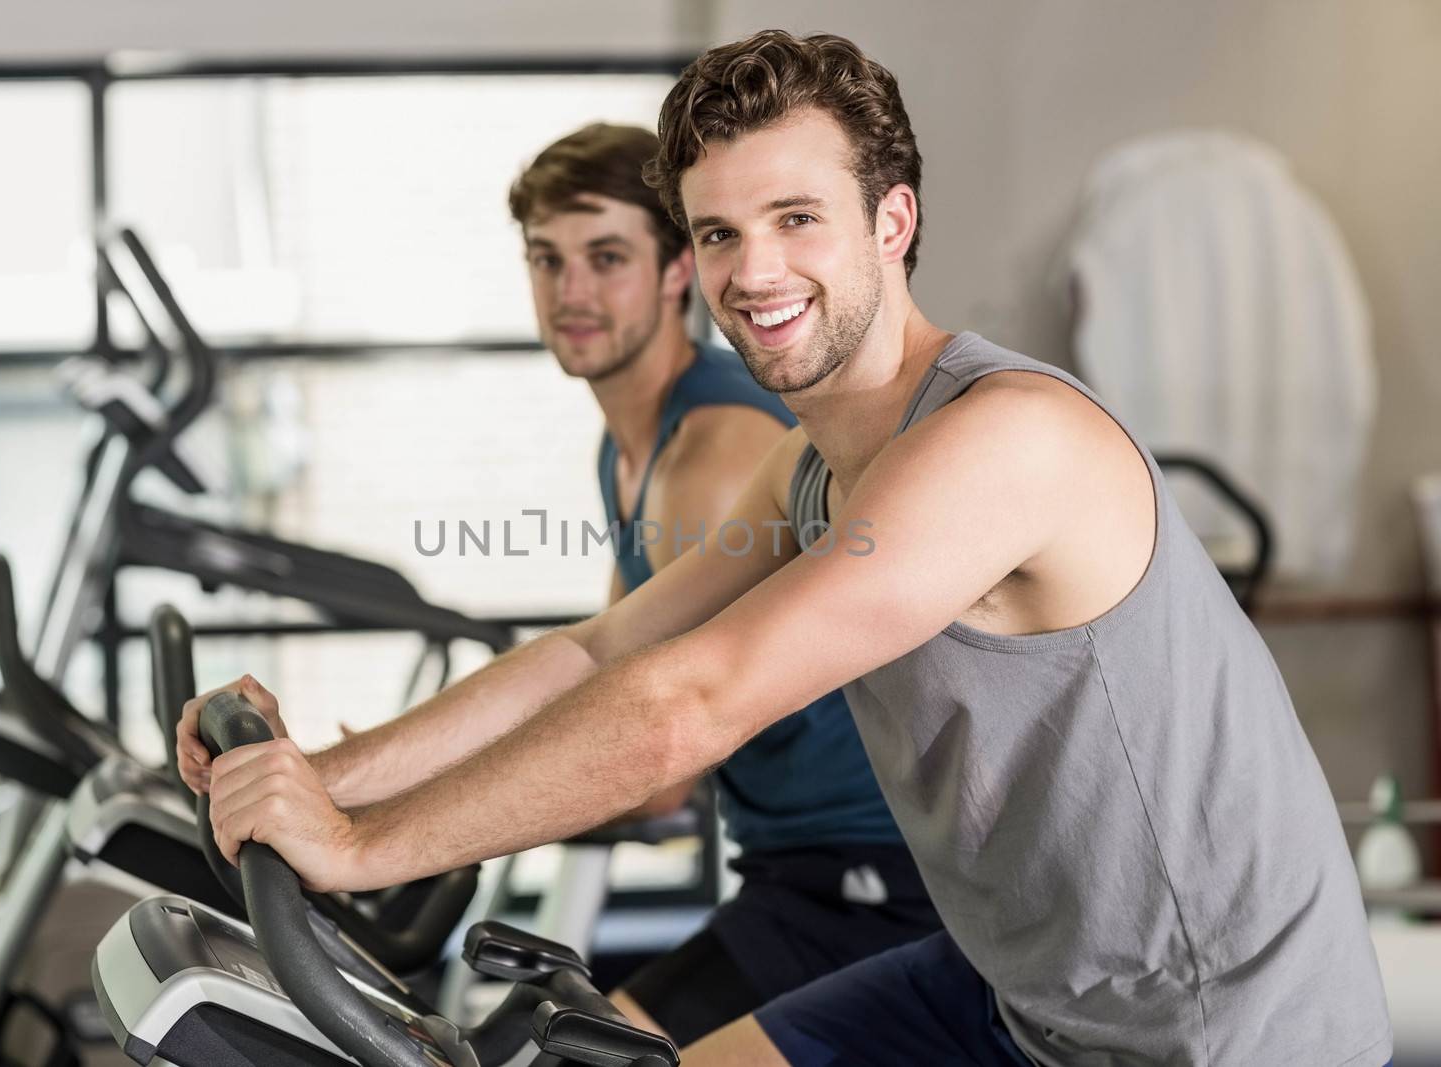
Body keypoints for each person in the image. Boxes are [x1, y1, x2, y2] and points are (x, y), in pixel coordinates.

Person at [179, 29, 1392, 1067]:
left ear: (891, 221)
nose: (752, 273)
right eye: (717, 235)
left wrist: (361, 848)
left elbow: (683, 706)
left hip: (1206, 1028)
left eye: (795, 219)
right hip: (1018, 988)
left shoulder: (1008, 440)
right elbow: (604, 646)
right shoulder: (809, 464)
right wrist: (322, 778)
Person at [505, 122, 940, 1043]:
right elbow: (601, 658)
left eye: (606, 256)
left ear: (674, 275)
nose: (570, 291)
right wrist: (390, 775)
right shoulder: (628, 448)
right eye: (547, 259)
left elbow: (652, 763)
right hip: (795, 873)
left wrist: (404, 822)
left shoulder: (712, 451)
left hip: (875, 885)